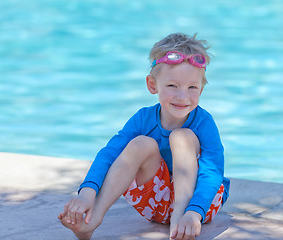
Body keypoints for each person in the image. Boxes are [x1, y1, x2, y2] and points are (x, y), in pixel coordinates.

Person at [58, 32, 230, 240]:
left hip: (198, 206)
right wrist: (87, 192)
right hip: (155, 203)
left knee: (182, 136)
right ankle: (91, 221)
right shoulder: (143, 119)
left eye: (192, 87)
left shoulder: (204, 122)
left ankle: (180, 223)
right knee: (140, 144)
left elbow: (213, 170)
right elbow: (109, 154)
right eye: (172, 86)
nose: (182, 96)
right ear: (152, 85)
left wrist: (194, 213)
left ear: (201, 89)